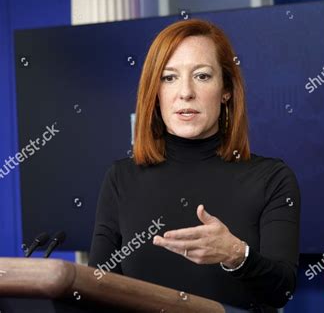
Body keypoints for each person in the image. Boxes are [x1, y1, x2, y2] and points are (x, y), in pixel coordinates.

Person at [88, 18, 301, 313]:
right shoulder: (121, 178)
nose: (185, 92)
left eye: (201, 76)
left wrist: (236, 255)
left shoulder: (272, 179)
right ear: (155, 92)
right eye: (169, 77)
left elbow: (283, 290)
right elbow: (98, 290)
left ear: (226, 89)